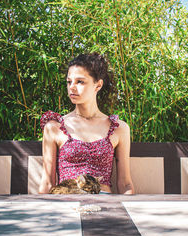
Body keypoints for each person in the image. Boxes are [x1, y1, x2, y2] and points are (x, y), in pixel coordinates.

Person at [38, 53, 134, 194]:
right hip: (66, 203)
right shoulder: (54, 127)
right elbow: (47, 182)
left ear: (98, 85)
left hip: (104, 204)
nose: (72, 87)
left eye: (80, 82)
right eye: (69, 82)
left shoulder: (119, 129)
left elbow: (125, 183)